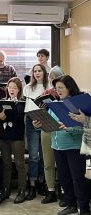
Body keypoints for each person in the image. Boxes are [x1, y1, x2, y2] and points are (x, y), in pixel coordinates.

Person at [33, 75, 90, 215]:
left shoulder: (78, 105)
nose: (58, 91)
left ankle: (84, 210)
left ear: (69, 88)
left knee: (78, 179)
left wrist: (70, 129)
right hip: (57, 146)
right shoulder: (55, 104)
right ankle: (70, 205)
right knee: (64, 178)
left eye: (61, 88)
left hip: (74, 147)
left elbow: (83, 128)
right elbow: (50, 125)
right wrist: (39, 125)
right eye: (56, 88)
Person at [0, 77, 26, 203]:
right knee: (6, 164)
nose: (12, 90)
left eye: (15, 88)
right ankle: (6, 190)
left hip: (17, 136)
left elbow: (17, 116)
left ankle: (21, 191)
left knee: (19, 164)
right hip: (4, 137)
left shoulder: (22, 102)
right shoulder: (3, 101)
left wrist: (4, 117)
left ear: (19, 90)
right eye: (10, 87)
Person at [23, 63, 50, 200]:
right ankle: (32, 185)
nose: (37, 73)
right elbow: (25, 106)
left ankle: (42, 183)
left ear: (44, 73)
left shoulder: (49, 87)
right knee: (33, 155)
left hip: (45, 120)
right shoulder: (28, 87)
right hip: (31, 120)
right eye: (35, 71)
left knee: (44, 154)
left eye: (40, 71)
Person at [40, 66, 64, 204]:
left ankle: (64, 191)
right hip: (47, 129)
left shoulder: (67, 93)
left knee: (62, 164)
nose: (53, 80)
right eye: (51, 77)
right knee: (48, 163)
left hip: (62, 130)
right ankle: (50, 191)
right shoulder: (46, 93)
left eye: (56, 77)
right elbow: (40, 111)